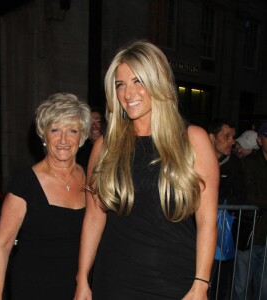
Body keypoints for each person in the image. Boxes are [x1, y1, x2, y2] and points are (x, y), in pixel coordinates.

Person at [74, 41, 219, 300]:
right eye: (120, 84)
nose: (128, 93)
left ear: (158, 82)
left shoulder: (193, 140)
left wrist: (201, 284)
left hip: (175, 283)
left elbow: (207, 220)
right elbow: (95, 218)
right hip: (114, 280)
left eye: (137, 80)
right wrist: (82, 278)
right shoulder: (104, 147)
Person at [0, 93, 91, 300]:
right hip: (34, 286)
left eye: (72, 130)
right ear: (44, 136)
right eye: (55, 130)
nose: (63, 139)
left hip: (79, 288)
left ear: (82, 138)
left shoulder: (91, 179)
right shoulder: (25, 183)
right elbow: (2, 246)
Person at [207, 119, 246, 300]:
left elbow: (242, 194)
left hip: (222, 234)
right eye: (226, 136)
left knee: (220, 279)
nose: (232, 141)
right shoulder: (196, 159)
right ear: (212, 138)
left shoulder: (235, 166)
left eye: (233, 137)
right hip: (195, 233)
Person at [233, 122, 267, 300]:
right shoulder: (248, 164)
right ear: (260, 140)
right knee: (241, 284)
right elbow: (248, 195)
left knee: (263, 287)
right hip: (251, 232)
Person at [77, 107, 106, 172]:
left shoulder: (117, 149)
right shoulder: (80, 156)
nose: (94, 126)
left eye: (98, 121)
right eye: (89, 123)